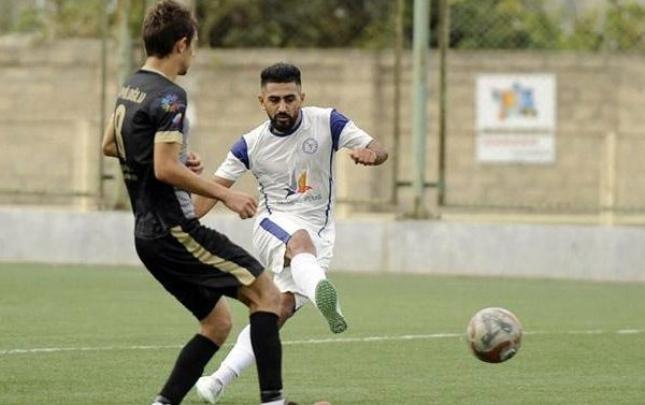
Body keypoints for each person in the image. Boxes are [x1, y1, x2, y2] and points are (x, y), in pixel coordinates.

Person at [101, 2, 294, 405]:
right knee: (268, 296)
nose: (194, 54)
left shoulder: (131, 86)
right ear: (181, 44)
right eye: (194, 45)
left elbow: (110, 144)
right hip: (175, 230)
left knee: (217, 323)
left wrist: (174, 155)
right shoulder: (171, 96)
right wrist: (225, 193)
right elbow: (164, 169)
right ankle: (273, 402)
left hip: (146, 235)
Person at [194, 62, 388, 403]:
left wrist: (371, 155)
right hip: (273, 223)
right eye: (274, 100)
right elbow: (214, 189)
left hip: (320, 236)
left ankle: (216, 382)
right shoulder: (249, 144)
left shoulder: (328, 121)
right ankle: (325, 298)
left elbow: (380, 149)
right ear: (262, 101)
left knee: (275, 311)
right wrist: (183, 223)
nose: (282, 107)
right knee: (299, 242)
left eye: (290, 99)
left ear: (302, 97)